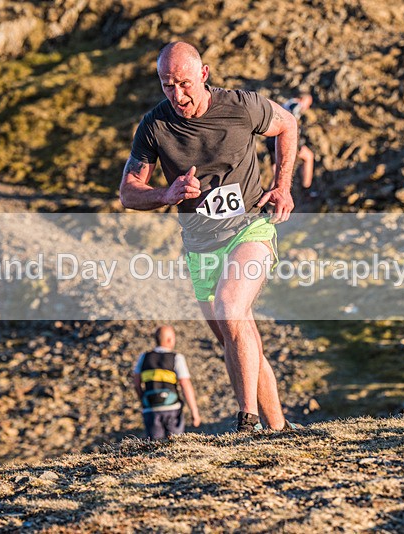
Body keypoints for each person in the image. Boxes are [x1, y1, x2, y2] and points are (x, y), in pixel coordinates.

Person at [119, 41, 299, 432]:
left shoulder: (240, 106)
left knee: (231, 306)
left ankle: (246, 421)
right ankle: (279, 430)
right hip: (201, 245)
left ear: (204, 74)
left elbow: (286, 123)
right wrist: (165, 195)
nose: (178, 95)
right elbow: (128, 191)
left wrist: (281, 186)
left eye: (184, 83)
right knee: (236, 336)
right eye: (168, 86)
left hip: (250, 228)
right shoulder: (155, 126)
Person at [132, 325, 201, 440]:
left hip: (151, 408)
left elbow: (136, 382)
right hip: (172, 407)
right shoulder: (176, 358)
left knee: (155, 446)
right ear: (169, 339)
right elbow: (185, 384)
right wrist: (194, 412)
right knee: (175, 443)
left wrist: (143, 400)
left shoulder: (144, 357)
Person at [265, 94, 315, 190]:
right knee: (308, 156)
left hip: (271, 139)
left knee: (277, 174)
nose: (307, 107)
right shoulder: (297, 105)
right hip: (281, 140)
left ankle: (269, 201)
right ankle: (307, 187)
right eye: (308, 104)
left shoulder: (286, 104)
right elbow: (291, 124)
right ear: (303, 99)